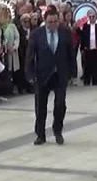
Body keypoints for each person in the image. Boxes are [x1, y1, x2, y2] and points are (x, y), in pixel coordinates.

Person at [26, 8, 74, 145]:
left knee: (60, 104)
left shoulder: (65, 32)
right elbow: (30, 56)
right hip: (42, 75)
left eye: (55, 21)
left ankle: (57, 131)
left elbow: (71, 53)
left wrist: (72, 71)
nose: (53, 24)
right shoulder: (37, 34)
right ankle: (40, 134)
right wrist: (30, 74)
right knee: (40, 106)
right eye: (50, 22)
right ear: (45, 21)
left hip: (60, 74)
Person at [79, 8, 97, 86]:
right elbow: (83, 37)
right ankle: (87, 81)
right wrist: (82, 48)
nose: (92, 18)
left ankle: (96, 81)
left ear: (96, 17)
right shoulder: (85, 25)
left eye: (93, 16)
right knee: (87, 65)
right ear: (88, 17)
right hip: (88, 48)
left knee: (96, 65)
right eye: (90, 17)